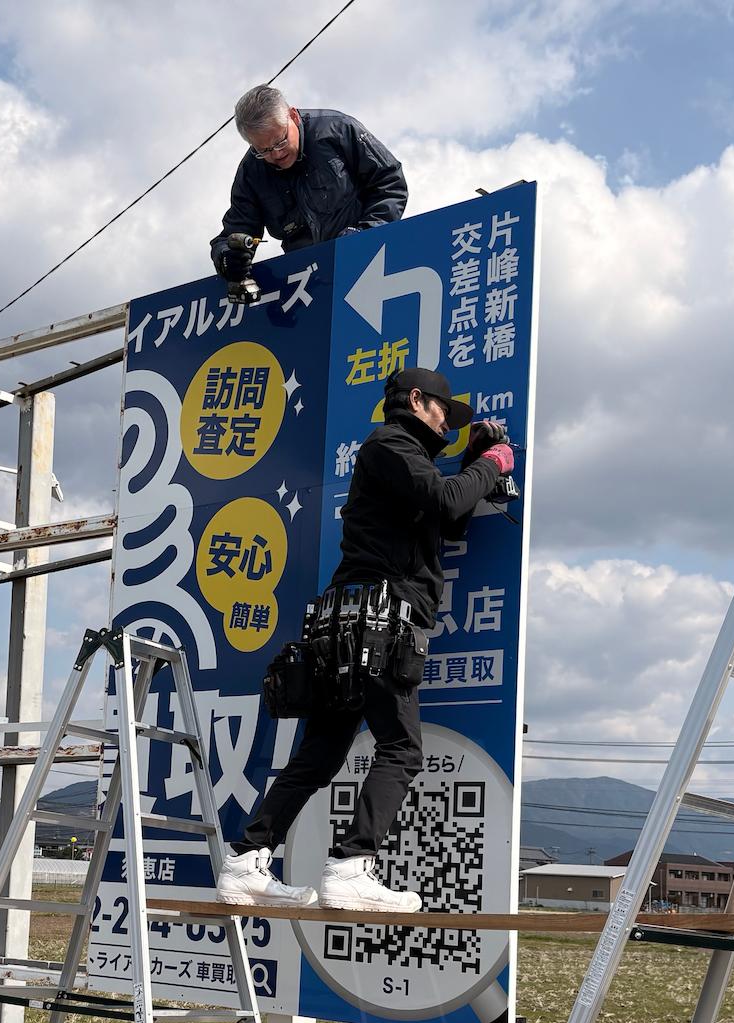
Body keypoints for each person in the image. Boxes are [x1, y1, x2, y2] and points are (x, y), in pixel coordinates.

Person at [218, 368, 517, 912]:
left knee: (320, 754)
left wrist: (472, 462)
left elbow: (447, 521)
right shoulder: (390, 442)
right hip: (382, 619)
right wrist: (490, 463)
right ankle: (353, 867)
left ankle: (246, 861)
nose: (449, 421)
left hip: (350, 623)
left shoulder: (406, 459)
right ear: (418, 401)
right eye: (446, 412)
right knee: (401, 748)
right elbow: (447, 501)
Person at [210, 85, 406, 284]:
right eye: (265, 150)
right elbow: (235, 232)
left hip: (368, 264)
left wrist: (366, 234)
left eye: (281, 142)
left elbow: (390, 183)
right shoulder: (251, 172)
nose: (277, 154)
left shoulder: (338, 130)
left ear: (293, 116)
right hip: (308, 284)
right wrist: (227, 257)